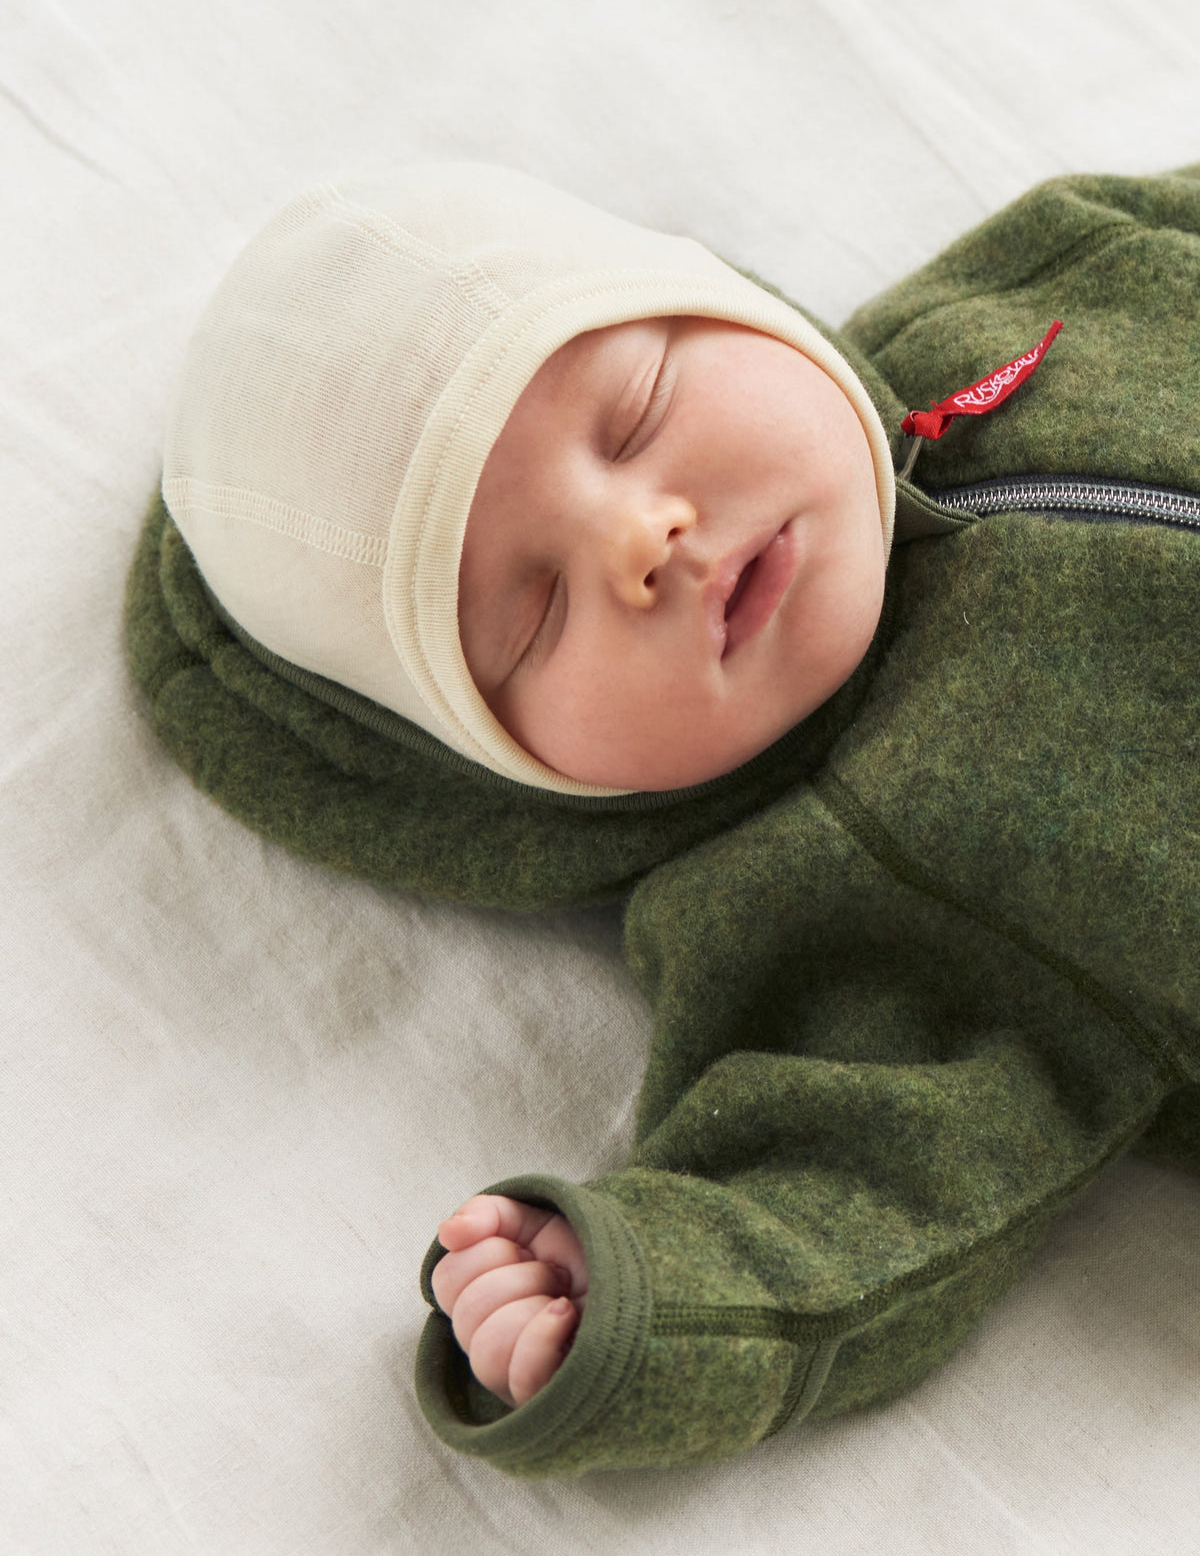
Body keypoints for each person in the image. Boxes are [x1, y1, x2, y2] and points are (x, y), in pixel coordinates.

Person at [126, 161, 1200, 1477]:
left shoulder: (1058, 281)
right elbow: (841, 1205)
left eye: (635, 411)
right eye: (534, 614)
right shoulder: (824, 908)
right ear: (509, 772)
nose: (641, 538)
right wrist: (638, 1297)